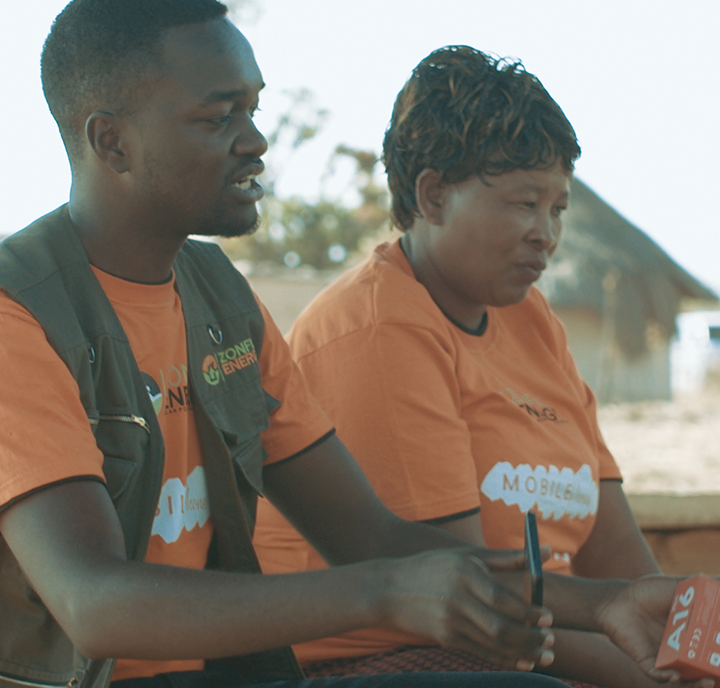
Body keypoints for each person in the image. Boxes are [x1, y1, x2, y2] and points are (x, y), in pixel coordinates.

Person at [0, 3, 702, 688]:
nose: (256, 142)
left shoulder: (218, 297)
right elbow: (92, 604)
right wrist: (383, 593)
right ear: (112, 141)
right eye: (219, 118)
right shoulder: (21, 313)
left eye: (254, 110)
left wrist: (602, 605)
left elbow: (372, 538)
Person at [252, 47, 713, 688]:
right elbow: (468, 603)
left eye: (557, 208)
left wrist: (687, 649)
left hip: (544, 651)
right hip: (385, 662)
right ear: (433, 195)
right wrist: (658, 677)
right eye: (525, 204)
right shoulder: (380, 326)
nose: (546, 234)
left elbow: (619, 554)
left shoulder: (534, 322)